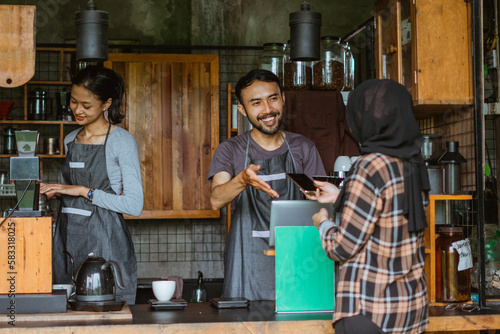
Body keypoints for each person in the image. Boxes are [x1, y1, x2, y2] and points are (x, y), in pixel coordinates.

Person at [310, 79, 430, 334]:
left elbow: (341, 247)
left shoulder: (369, 166)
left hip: (369, 310)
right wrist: (341, 195)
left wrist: (323, 223)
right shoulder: (414, 164)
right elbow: (390, 213)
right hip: (409, 311)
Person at [208, 69, 326, 300]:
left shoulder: (303, 148)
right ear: (242, 110)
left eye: (273, 98)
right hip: (246, 259)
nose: (268, 110)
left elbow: (321, 205)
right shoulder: (230, 150)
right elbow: (216, 200)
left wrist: (317, 197)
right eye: (256, 103)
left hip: (296, 258)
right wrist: (242, 180)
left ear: (283, 98)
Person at [40, 65, 143, 305]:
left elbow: (134, 205)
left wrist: (83, 191)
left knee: (104, 311)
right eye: (73, 101)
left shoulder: (121, 141)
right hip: (66, 239)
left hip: (105, 241)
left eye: (86, 106)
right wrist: (52, 191)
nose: (77, 110)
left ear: (107, 104)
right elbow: (69, 195)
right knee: (65, 311)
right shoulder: (70, 139)